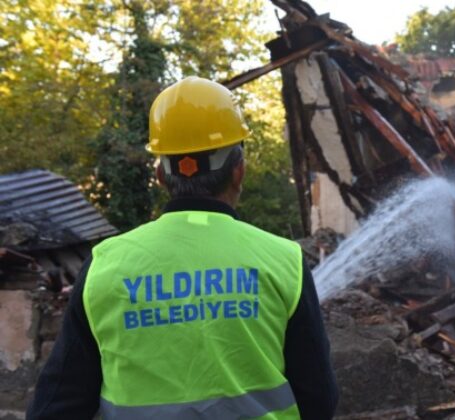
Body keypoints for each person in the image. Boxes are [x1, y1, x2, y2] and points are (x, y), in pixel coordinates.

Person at [27, 76, 338, 419]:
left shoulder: (104, 265)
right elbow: (318, 398)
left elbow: (56, 406)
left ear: (161, 176)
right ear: (239, 171)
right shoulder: (285, 261)